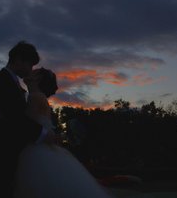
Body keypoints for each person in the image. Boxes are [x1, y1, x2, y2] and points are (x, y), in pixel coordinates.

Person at [14, 68, 112, 198]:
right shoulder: (39, 97)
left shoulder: (34, 97)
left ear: (37, 78)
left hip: (36, 147)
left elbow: (25, 124)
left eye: (34, 72)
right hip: (43, 144)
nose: (29, 71)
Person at [0, 41, 55, 198]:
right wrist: (43, 133)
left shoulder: (10, 82)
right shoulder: (1, 81)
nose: (30, 69)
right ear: (19, 59)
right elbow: (15, 118)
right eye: (30, 64)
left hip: (10, 153)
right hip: (2, 153)